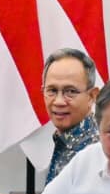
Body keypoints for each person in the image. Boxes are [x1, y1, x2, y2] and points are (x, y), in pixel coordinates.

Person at [38, 48, 101, 183]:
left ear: (92, 96)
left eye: (71, 91)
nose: (59, 101)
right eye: (52, 91)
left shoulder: (97, 151)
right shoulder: (64, 140)